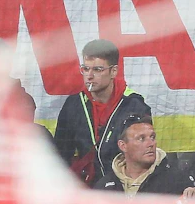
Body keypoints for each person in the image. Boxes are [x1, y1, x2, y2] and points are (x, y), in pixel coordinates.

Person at [54, 39, 153, 186]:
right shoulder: (74, 104)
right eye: (85, 69)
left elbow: (143, 157)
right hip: (84, 186)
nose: (89, 76)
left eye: (97, 70)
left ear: (113, 71)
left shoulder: (134, 106)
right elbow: (61, 154)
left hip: (124, 186)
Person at [95, 116, 195, 196]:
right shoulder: (104, 187)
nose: (151, 143)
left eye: (152, 137)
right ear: (123, 146)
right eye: (141, 139)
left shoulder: (177, 181)